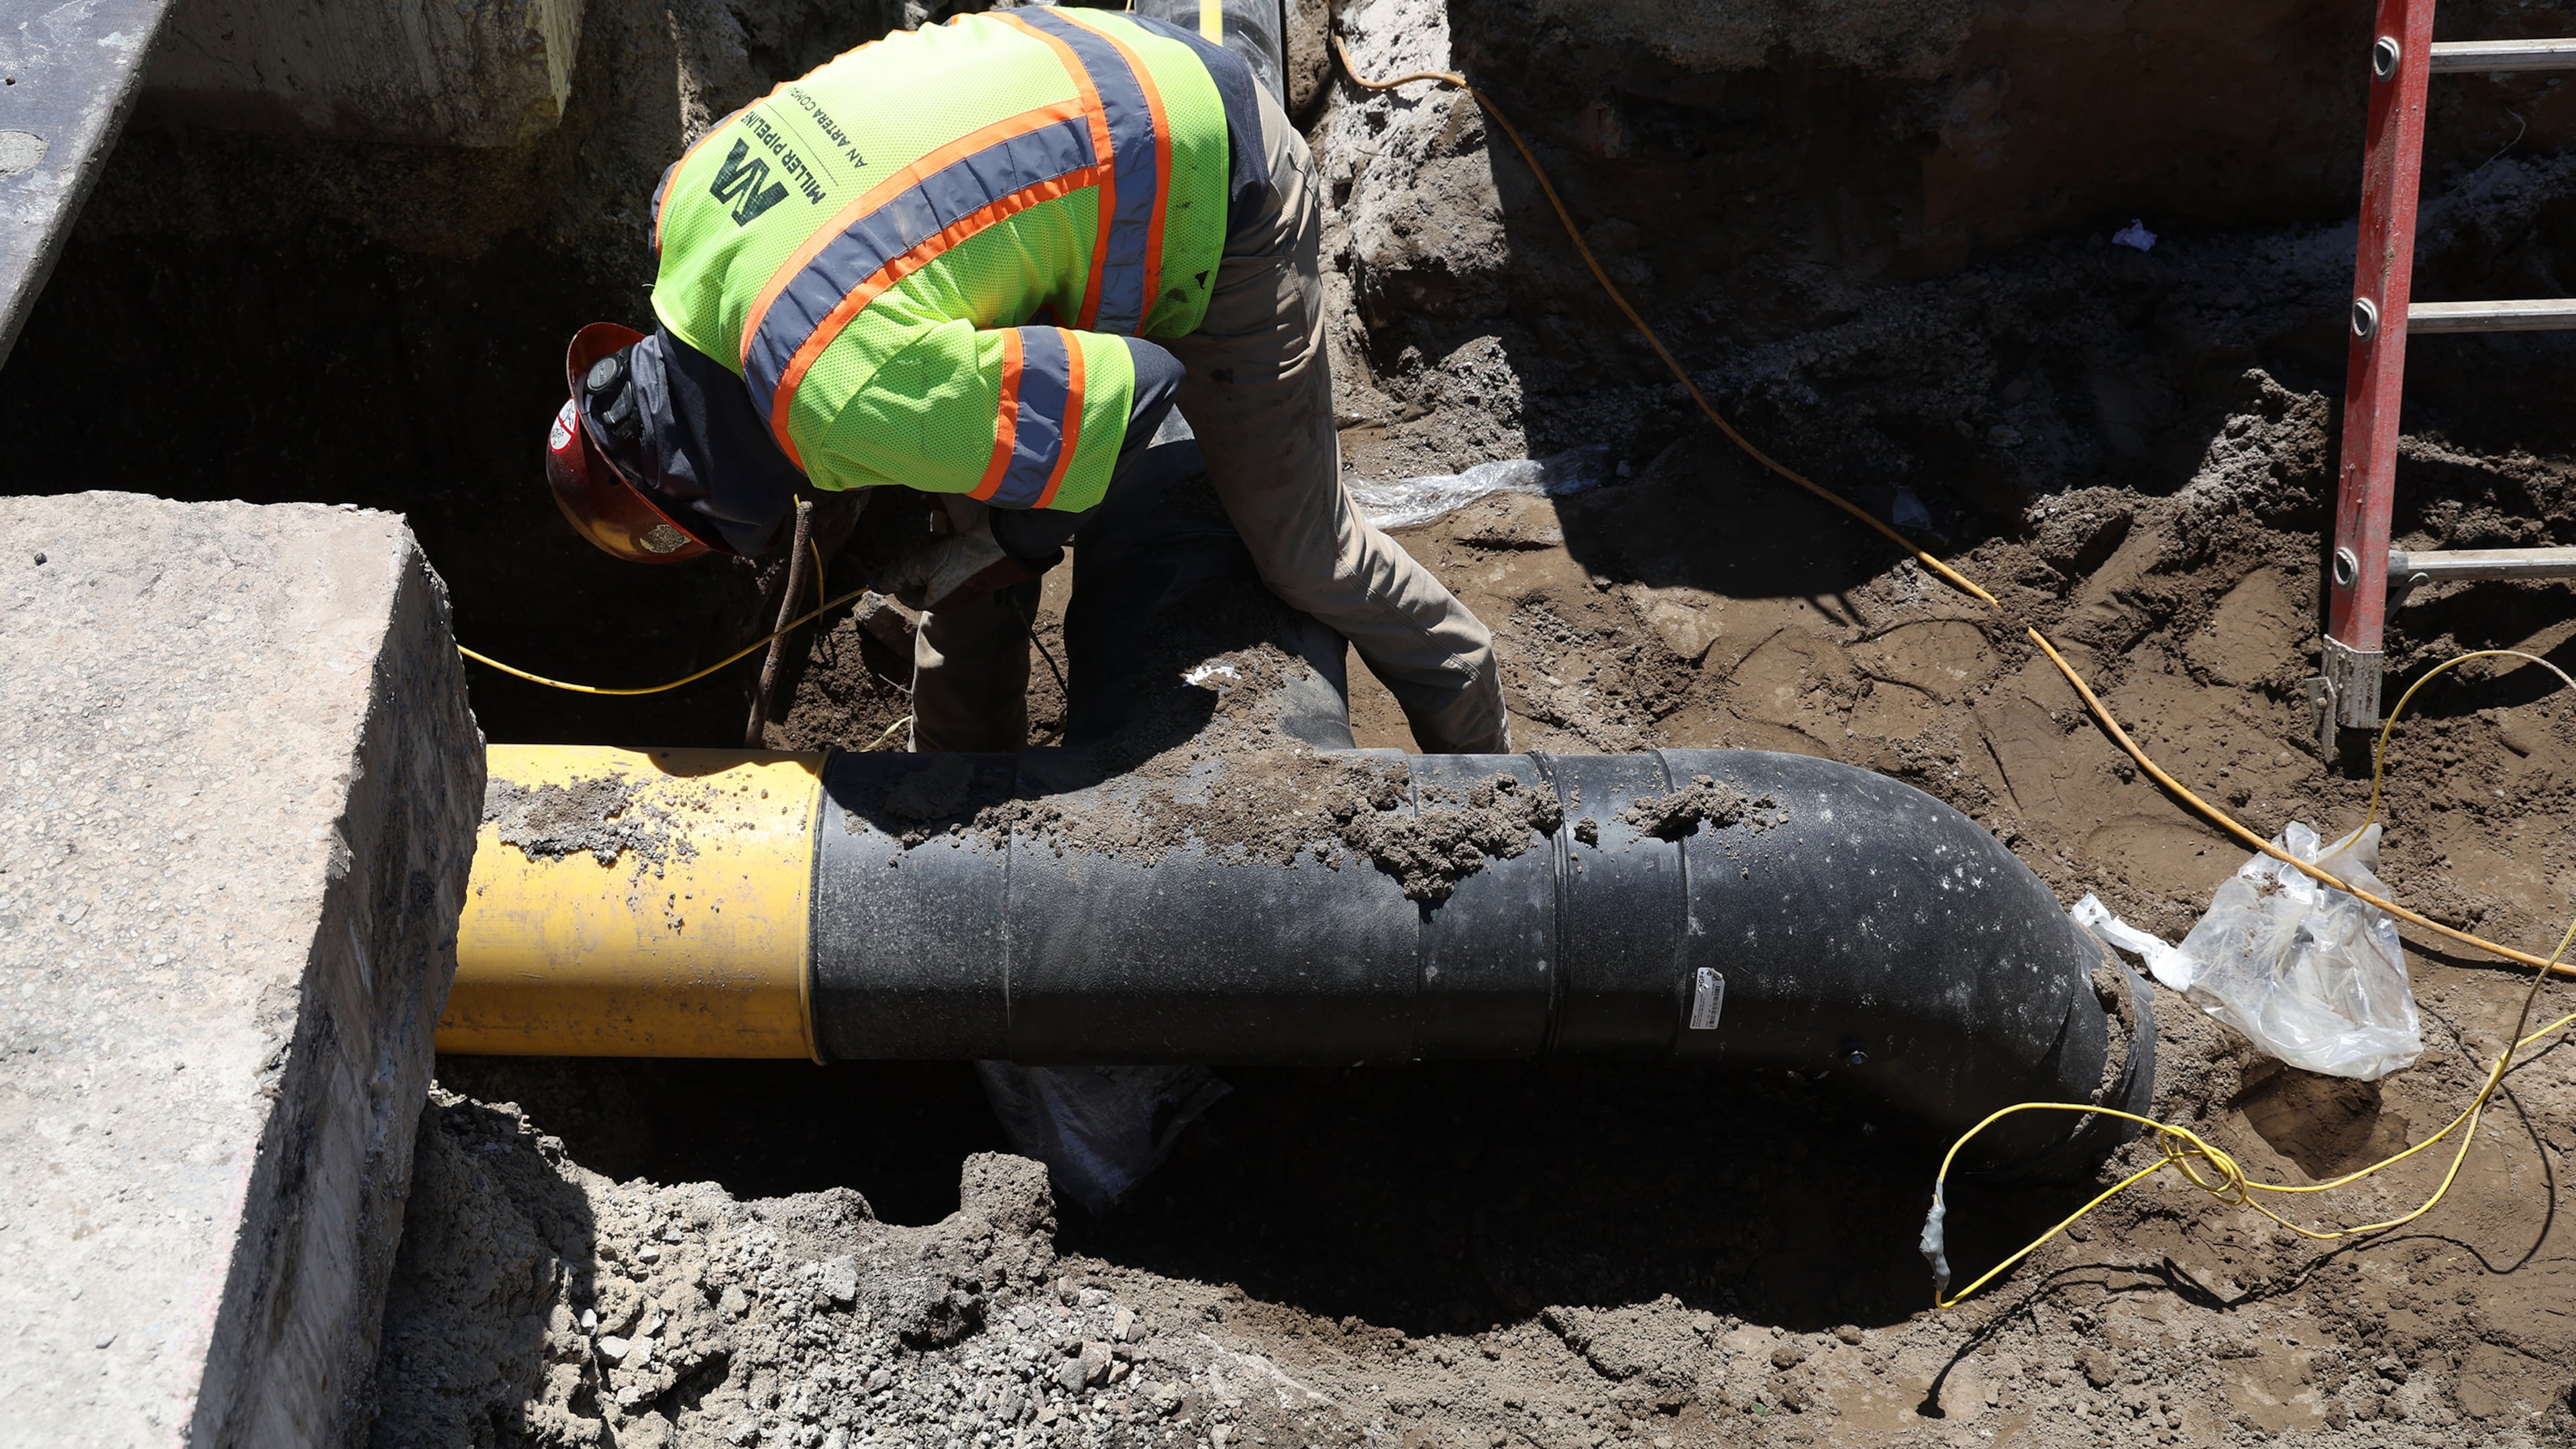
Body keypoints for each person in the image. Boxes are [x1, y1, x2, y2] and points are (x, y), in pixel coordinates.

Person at [541, 2, 1506, 756]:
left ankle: (1483, 754)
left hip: (1208, 167)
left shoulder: (846, 398)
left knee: (1304, 551)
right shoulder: (684, 199)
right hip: (1068, 85)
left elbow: (1144, 383)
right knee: (964, 491)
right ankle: (966, 781)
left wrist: (1013, 535)